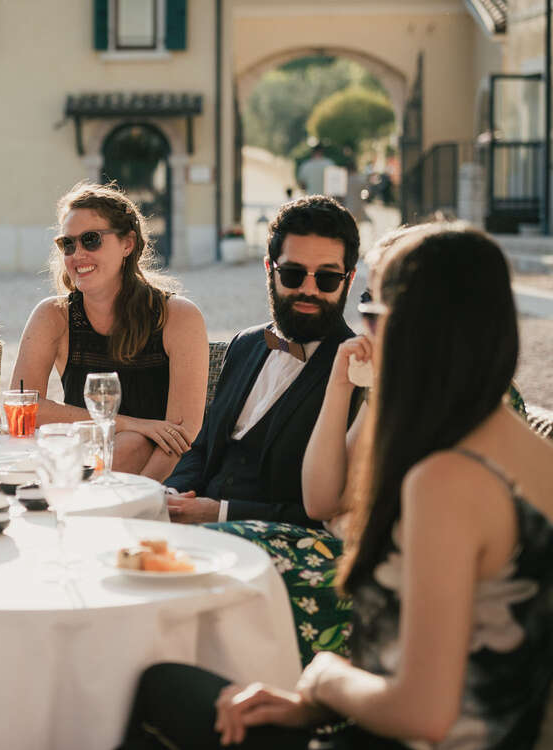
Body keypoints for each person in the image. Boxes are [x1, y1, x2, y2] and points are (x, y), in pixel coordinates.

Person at [121, 224, 553, 749]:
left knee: (153, 689)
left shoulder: (446, 478)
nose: (362, 327)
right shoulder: (522, 452)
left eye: (373, 308)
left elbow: (425, 713)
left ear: (419, 325)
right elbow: (324, 501)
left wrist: (322, 680)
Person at [166, 195, 364, 525]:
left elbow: (335, 509)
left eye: (328, 278)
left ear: (350, 279)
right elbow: (203, 447)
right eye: (293, 274)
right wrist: (171, 495)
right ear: (269, 269)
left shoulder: (357, 372)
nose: (309, 290)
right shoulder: (244, 344)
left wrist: (221, 513)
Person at [11, 182, 208, 481]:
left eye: (91, 240)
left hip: (166, 472)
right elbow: (23, 405)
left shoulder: (178, 316)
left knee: (134, 444)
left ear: (127, 244)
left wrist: (140, 497)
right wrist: (130, 424)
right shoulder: (54, 315)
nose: (77, 254)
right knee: (131, 440)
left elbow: (180, 437)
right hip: (84, 467)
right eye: (68, 244)